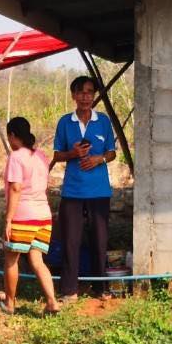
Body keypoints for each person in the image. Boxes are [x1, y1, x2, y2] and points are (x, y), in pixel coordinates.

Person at [52, 75, 116, 299]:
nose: (85, 96)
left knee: (100, 239)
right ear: (73, 96)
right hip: (73, 190)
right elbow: (57, 154)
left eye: (89, 92)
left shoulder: (103, 121)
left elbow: (112, 151)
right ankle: (69, 290)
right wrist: (73, 153)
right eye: (80, 92)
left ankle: (101, 288)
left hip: (99, 190)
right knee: (71, 239)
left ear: (94, 95)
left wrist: (100, 159)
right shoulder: (65, 122)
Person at [1, 118, 59, 315]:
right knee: (37, 260)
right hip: (43, 216)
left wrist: (8, 219)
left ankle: (9, 303)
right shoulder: (41, 156)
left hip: (23, 215)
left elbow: (16, 188)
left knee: (11, 259)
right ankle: (52, 301)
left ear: (12, 136)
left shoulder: (16, 157)